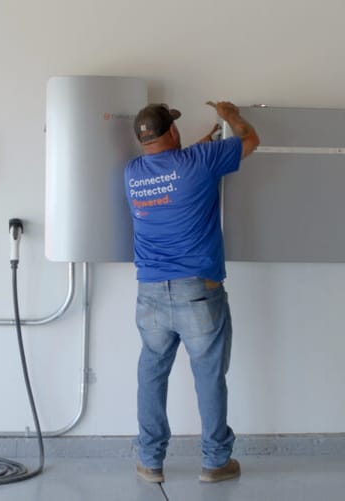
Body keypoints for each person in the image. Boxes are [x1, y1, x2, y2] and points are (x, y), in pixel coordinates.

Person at [124, 101, 259, 483]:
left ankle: (150, 462)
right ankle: (215, 463)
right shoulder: (199, 162)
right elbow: (251, 140)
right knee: (209, 377)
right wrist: (231, 117)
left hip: (149, 292)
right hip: (198, 292)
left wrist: (204, 142)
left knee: (151, 375)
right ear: (171, 132)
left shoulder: (132, 173)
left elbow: (175, 171)